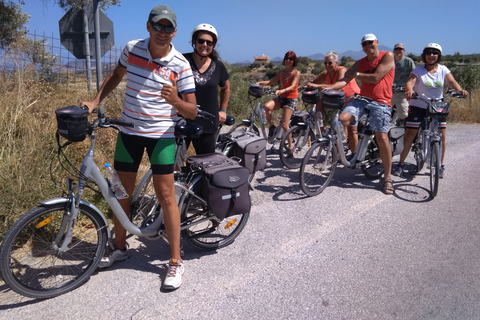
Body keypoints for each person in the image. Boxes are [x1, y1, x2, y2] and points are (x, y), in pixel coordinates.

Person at [81, 5, 197, 290]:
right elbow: (116, 76)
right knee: (121, 192)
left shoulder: (180, 64)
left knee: (166, 196)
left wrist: (175, 101)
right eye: (158, 26)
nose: (163, 32)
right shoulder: (132, 48)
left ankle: (175, 261)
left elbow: (192, 111)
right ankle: (119, 248)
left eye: (168, 28)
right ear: (148, 26)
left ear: (175, 32)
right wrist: (95, 102)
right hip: (129, 132)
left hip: (161, 138)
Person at [315, 34, 395, 194]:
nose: (367, 45)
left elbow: (376, 77)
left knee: (382, 137)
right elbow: (344, 80)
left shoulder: (387, 56)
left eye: (370, 42)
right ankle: (350, 153)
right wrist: (329, 88)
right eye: (364, 44)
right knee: (342, 119)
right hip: (363, 99)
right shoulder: (360, 63)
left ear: (376, 43)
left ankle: (387, 176)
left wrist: (356, 74)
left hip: (381, 101)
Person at [394, 43, 469, 178]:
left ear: (438, 56)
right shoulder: (418, 70)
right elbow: (410, 82)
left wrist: (460, 90)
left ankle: (440, 165)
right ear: (425, 55)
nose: (431, 55)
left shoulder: (443, 69)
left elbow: (451, 82)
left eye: (434, 53)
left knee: (442, 134)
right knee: (410, 134)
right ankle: (401, 163)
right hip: (419, 104)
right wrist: (410, 90)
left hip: (437, 105)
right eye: (428, 53)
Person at [183, 23, 230, 155]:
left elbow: (225, 88)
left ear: (213, 45)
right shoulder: (182, 61)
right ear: (194, 41)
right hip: (182, 120)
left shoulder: (218, 66)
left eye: (209, 42)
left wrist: (223, 110)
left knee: (206, 163)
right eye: (201, 41)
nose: (205, 44)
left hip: (208, 123)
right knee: (176, 163)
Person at [305, 51, 361, 153]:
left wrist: (318, 86)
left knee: (344, 124)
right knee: (319, 104)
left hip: (352, 99)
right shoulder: (325, 73)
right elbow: (313, 82)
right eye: (325, 63)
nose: (327, 65)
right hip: (338, 100)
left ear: (336, 62)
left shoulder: (342, 70)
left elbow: (338, 86)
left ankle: (340, 153)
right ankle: (320, 131)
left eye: (330, 63)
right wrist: (308, 85)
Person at [257, 51, 301, 151]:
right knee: (267, 107)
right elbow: (270, 82)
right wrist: (259, 83)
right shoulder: (281, 73)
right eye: (286, 58)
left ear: (294, 61)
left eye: (290, 59)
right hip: (282, 98)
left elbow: (293, 86)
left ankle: (290, 147)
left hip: (291, 99)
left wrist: (282, 90)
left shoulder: (296, 73)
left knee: (285, 125)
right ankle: (272, 127)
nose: (288, 61)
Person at [392, 43, 415, 124]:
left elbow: (413, 76)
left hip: (402, 91)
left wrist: (410, 88)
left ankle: (403, 127)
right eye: (396, 49)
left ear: (404, 51)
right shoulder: (389, 61)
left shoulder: (408, 61)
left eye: (400, 49)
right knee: (383, 111)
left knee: (404, 113)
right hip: (389, 91)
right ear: (393, 51)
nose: (398, 51)